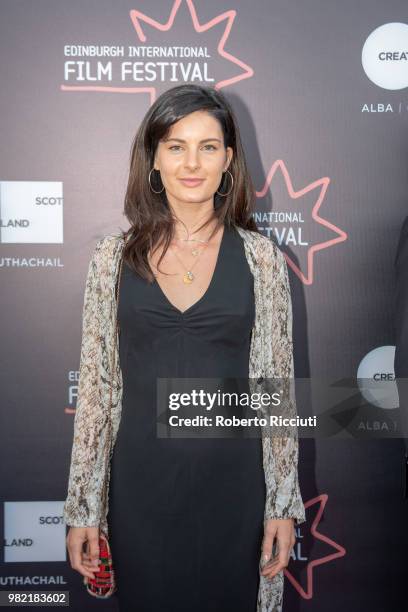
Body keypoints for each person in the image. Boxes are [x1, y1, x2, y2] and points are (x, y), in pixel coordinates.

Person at [63, 83, 306, 612]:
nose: (191, 162)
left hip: (236, 491)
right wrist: (84, 508)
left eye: (208, 146)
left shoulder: (263, 259)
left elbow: (275, 392)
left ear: (229, 160)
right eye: (175, 146)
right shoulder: (111, 259)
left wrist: (281, 504)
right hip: (140, 491)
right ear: (153, 158)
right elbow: (98, 392)